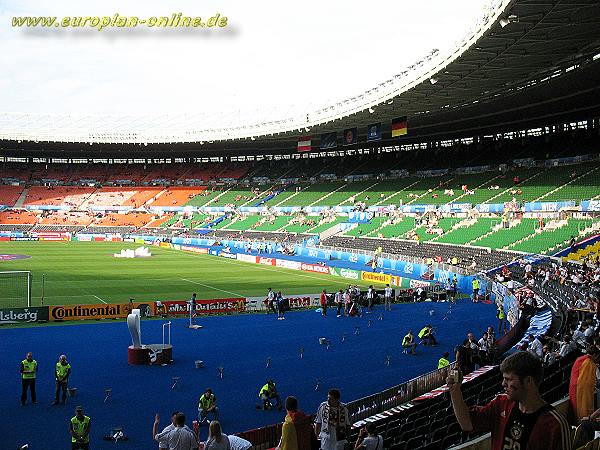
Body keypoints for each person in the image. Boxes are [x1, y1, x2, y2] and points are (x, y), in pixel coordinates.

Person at [448, 351, 571, 450]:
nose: (503, 384)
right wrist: (455, 391)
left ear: (528, 381)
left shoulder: (555, 425)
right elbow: (467, 423)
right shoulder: (501, 403)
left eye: (508, 379)